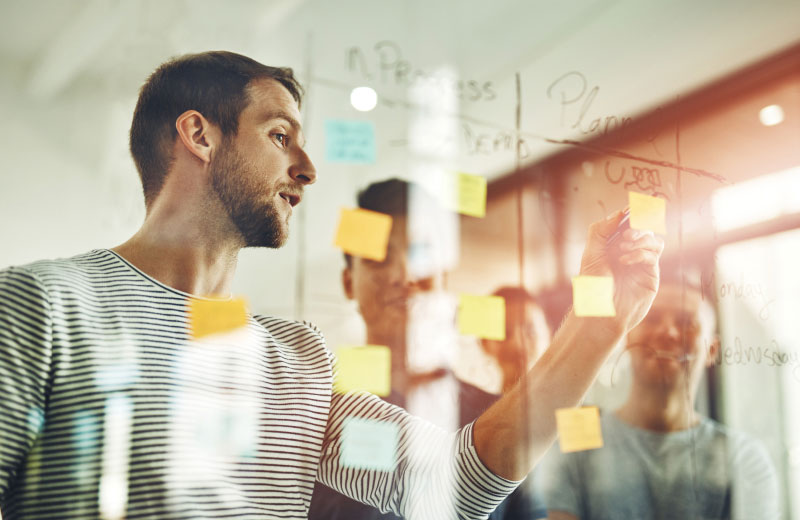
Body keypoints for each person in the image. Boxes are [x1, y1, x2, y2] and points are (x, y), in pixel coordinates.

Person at [0, 51, 664, 519]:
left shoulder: (296, 357)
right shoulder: (43, 305)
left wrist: (599, 321)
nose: (308, 168)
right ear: (198, 135)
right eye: (280, 134)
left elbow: (457, 486)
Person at [538, 274, 781, 520]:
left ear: (712, 350)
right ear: (628, 336)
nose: (668, 332)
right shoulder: (575, 445)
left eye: (686, 322)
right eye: (652, 319)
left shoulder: (743, 457)